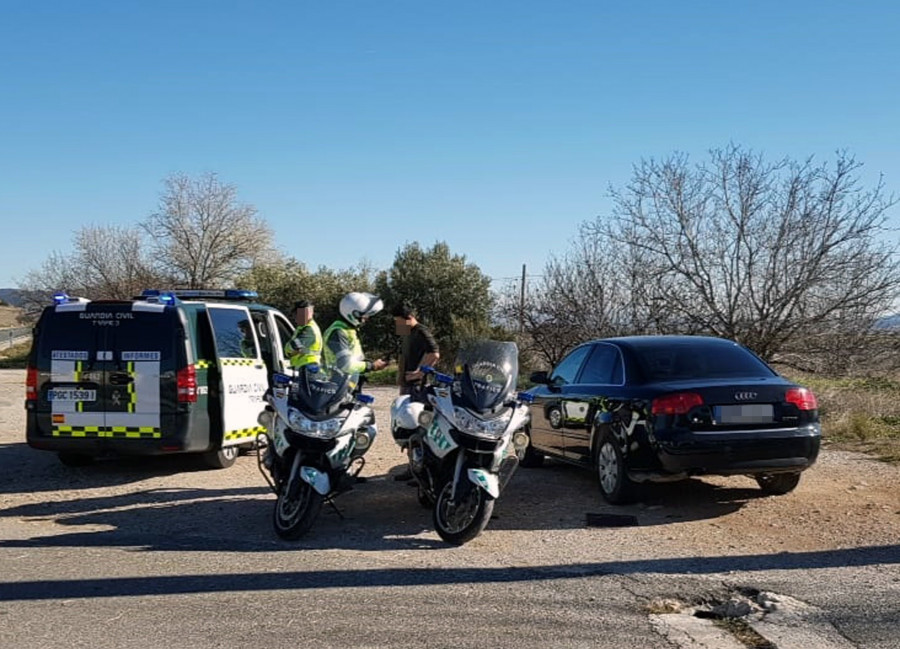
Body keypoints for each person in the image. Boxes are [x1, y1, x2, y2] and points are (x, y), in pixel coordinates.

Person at [322, 292, 388, 376]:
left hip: (348, 382)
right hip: (340, 383)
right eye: (364, 316)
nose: (366, 319)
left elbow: (354, 358)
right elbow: (345, 365)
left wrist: (370, 363)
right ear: (354, 314)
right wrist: (371, 366)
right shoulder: (338, 332)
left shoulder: (348, 330)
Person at [393, 302, 440, 396]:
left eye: (399, 321)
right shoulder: (405, 333)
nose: (398, 324)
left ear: (410, 317)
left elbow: (434, 354)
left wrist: (418, 374)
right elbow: (403, 354)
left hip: (417, 386)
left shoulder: (421, 331)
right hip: (406, 385)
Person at [284, 299, 322, 369]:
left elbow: (295, 346)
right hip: (303, 367)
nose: (295, 318)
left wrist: (287, 350)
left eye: (296, 315)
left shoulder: (309, 329)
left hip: (308, 368)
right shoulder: (302, 327)